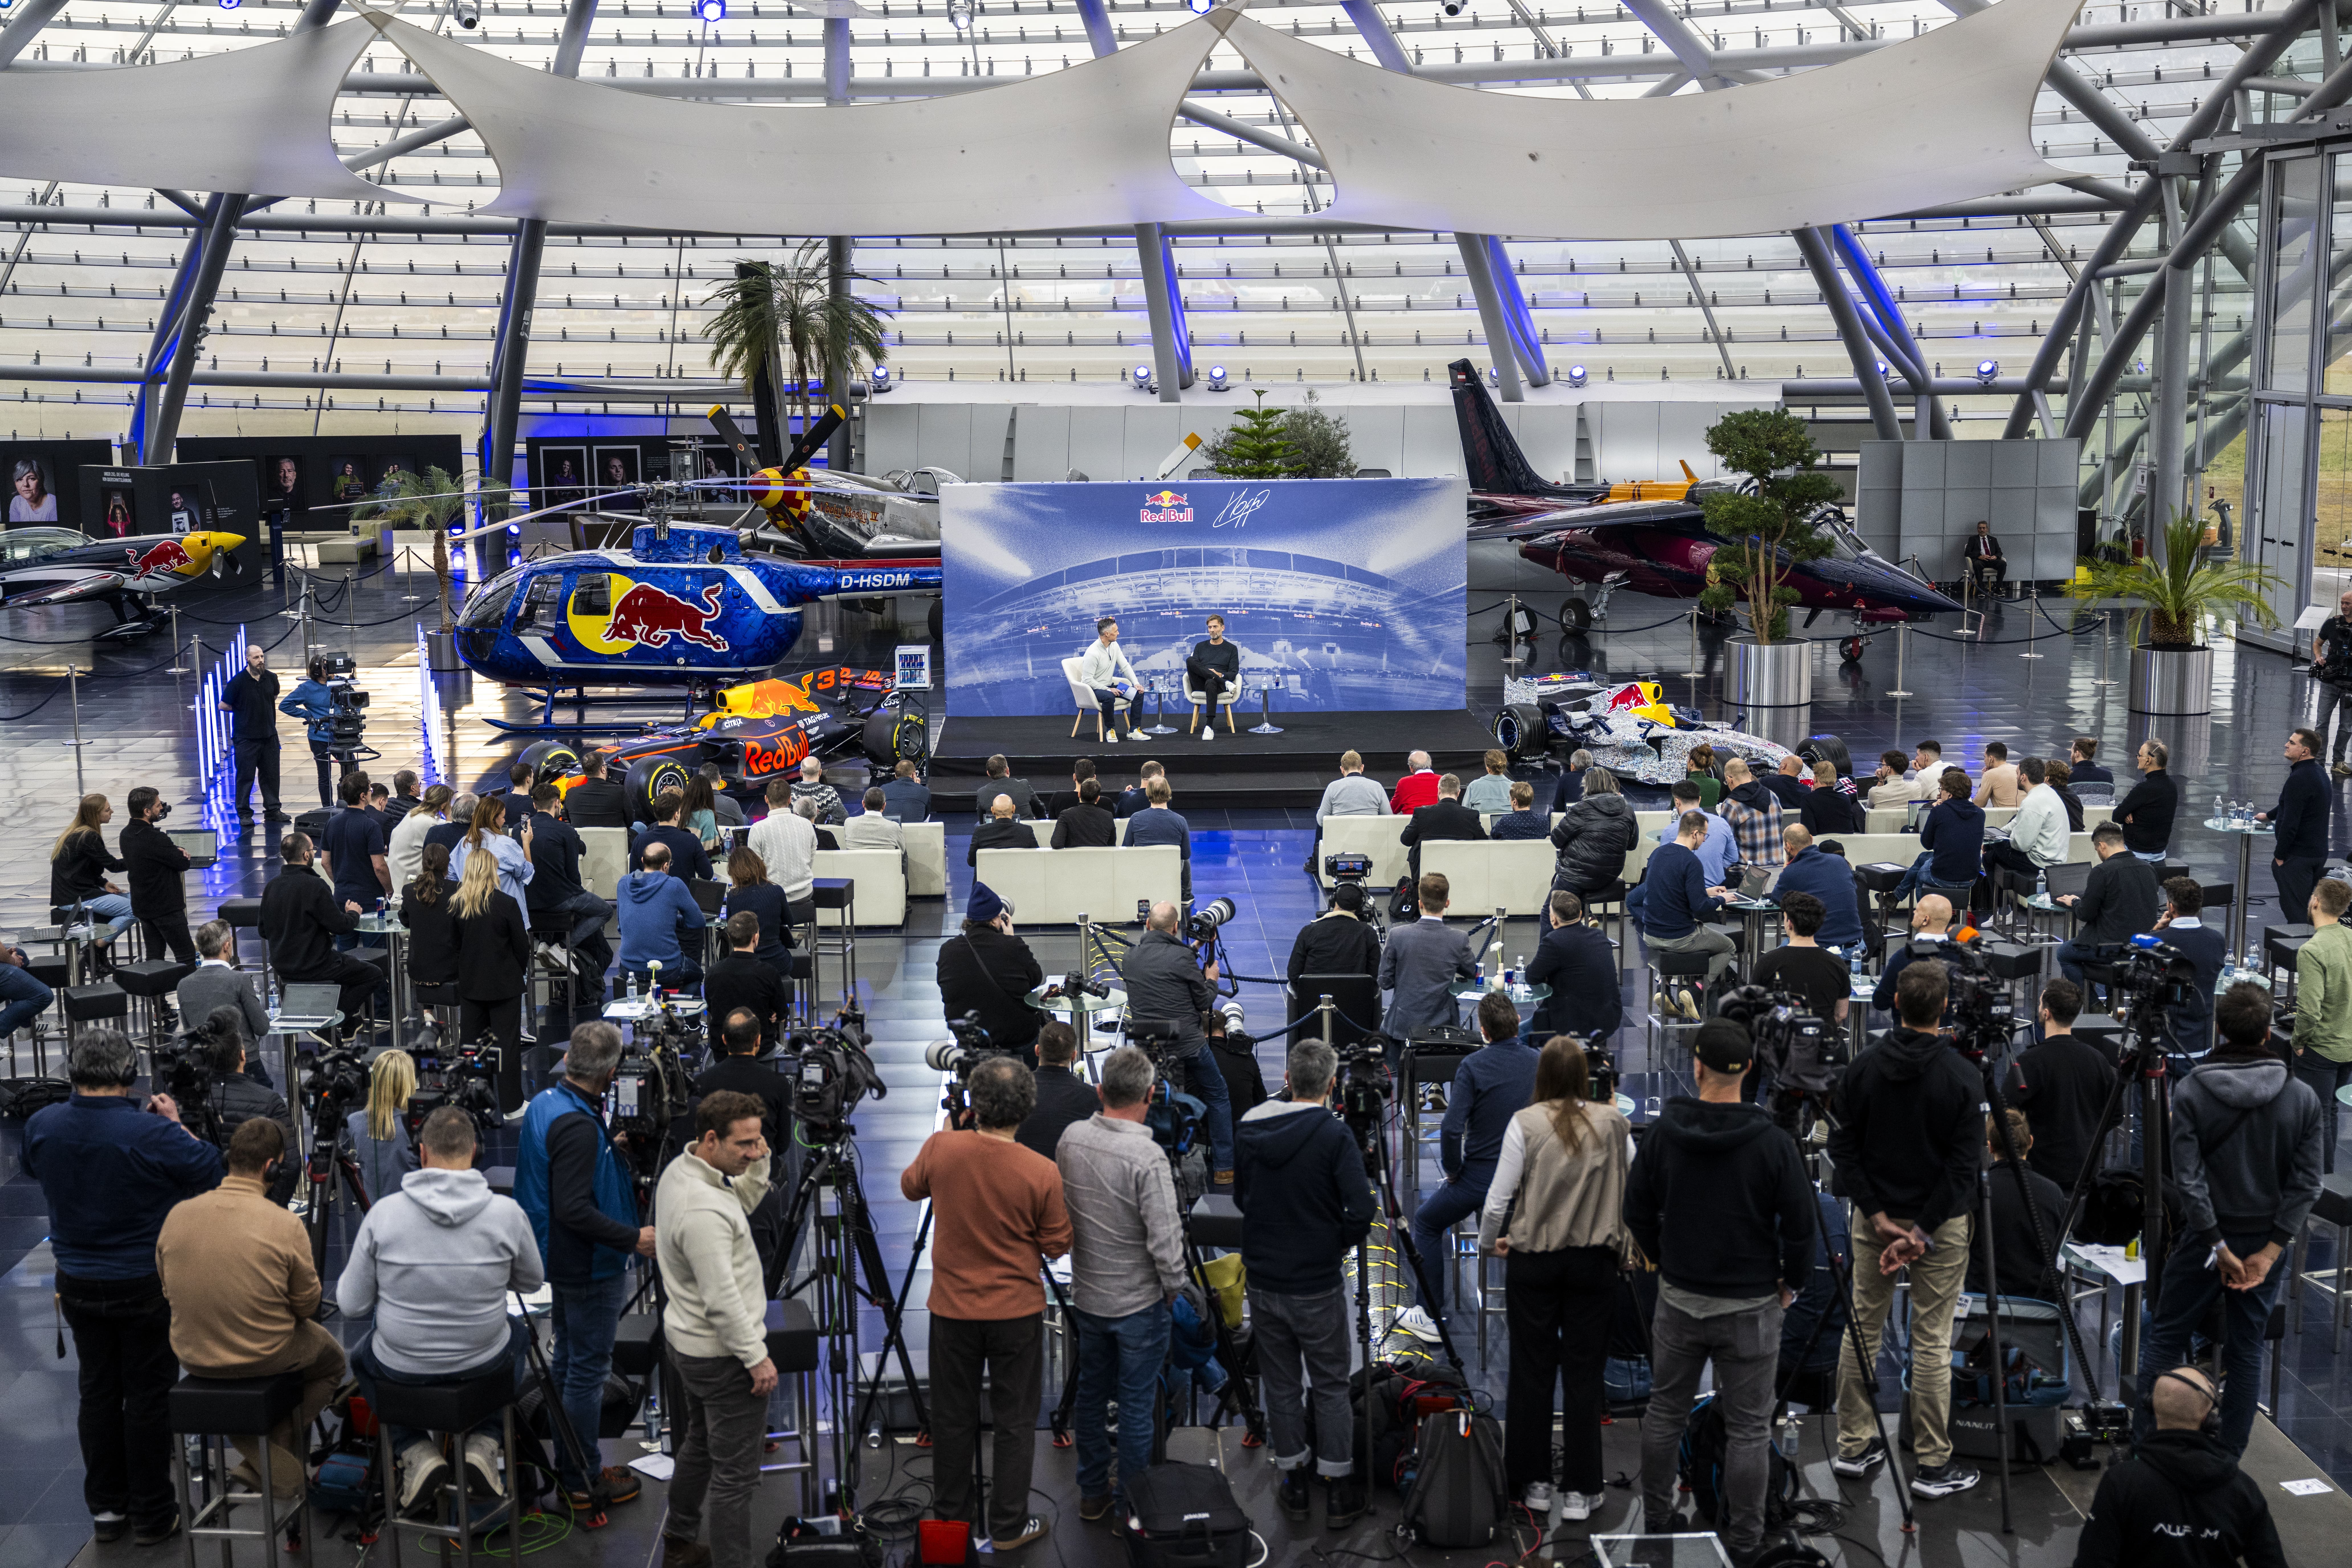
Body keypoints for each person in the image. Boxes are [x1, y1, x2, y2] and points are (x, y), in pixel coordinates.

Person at [24, 1031, 224, 1546]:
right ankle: (155, 1513)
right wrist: (177, 1124)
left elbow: (31, 1165)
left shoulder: (43, 1124)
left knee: (97, 1391)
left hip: (76, 1281)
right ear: (128, 1073)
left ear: (74, 1070)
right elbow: (210, 1170)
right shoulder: (150, 1133)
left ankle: (108, 1510)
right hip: (142, 1282)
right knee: (148, 1397)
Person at [1627, 1019, 1816, 1554]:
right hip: (1753, 1305)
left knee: (1664, 1411)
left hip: (1681, 1299)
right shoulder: (1774, 1143)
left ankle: (1658, 1522)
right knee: (1750, 1428)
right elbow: (1801, 1228)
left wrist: (1664, 1259)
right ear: (1749, 1069)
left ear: (1697, 1065)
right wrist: (1791, 1286)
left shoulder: (1664, 1132)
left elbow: (1634, 1209)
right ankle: (1746, 1539)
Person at [2135, 982, 2323, 1457]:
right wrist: (2270, 1251)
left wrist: (2216, 1244)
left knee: (2165, 1337)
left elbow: (2187, 1176)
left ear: (2219, 1027)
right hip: (2264, 1238)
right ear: (2266, 1032)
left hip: (2205, 1238)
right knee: (2245, 1350)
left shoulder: (2194, 1088)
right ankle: (2229, 1458)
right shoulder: (2302, 1098)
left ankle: (2145, 1450)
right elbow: (2307, 1184)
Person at [1826, 961, 1984, 1498]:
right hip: (1938, 1228)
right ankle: (1934, 1465)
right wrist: (1921, 1231)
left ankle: (1853, 1444)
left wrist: (1875, 1215)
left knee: (1862, 1329)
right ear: (1943, 1008)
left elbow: (1842, 1147)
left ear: (1895, 1001)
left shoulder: (1862, 1067)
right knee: (1932, 1342)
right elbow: (1964, 1167)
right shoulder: (1963, 1075)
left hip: (1875, 1223)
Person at [900, 1057, 1070, 1551]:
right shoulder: (1041, 1170)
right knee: (1015, 1421)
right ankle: (1009, 1525)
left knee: (952, 1419)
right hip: (1016, 1311)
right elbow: (1058, 1244)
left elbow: (911, 1186)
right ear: (1028, 1108)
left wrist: (952, 1136)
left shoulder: (942, 1147)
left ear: (973, 1103)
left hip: (952, 1310)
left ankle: (951, 1527)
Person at [340, 1106, 542, 1518]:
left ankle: (413, 1447)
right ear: (475, 1153)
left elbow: (351, 1304)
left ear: (423, 1154)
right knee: (520, 1335)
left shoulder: (384, 1215)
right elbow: (532, 1283)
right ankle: (485, 1442)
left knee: (361, 1356)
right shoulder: (507, 1214)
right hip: (483, 1364)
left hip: (402, 1368)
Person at [1469, 1033, 1631, 1517]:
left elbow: (1498, 1199)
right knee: (1585, 1374)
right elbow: (1633, 1188)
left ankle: (1532, 1482)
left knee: (1531, 1370)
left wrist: (1486, 1243)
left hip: (1533, 1262)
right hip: (1594, 1262)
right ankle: (1582, 1489)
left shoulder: (1525, 1122)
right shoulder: (1614, 1122)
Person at [157, 1119, 348, 1496]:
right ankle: (272, 1450)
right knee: (333, 1361)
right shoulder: (283, 1224)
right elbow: (308, 1305)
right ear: (272, 1168)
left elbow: (168, 1290)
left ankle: (257, 1456)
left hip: (193, 1357)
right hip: (265, 1355)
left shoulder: (177, 1216)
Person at [515, 1022, 654, 1510]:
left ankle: (574, 1466)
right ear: (611, 1072)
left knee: (569, 1363)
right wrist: (634, 1236)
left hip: (560, 1255)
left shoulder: (551, 1103)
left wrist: (605, 1145)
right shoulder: (574, 1125)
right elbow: (574, 1206)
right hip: (589, 1262)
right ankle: (582, 1477)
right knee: (586, 1373)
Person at [1236, 1039, 1374, 1526]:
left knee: (1280, 1384)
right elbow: (1362, 1208)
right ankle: (1337, 1487)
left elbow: (1241, 1195)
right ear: (1332, 1085)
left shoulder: (1251, 1125)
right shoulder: (1334, 1137)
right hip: (1316, 1282)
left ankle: (1293, 1481)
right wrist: (1334, 1242)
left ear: (1289, 1079)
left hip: (1265, 1278)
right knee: (1332, 1385)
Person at [1057, 1045, 1187, 1521]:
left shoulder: (1071, 1138)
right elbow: (1165, 1237)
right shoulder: (1146, 1154)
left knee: (1091, 1397)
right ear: (1150, 1094)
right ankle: (1130, 1508)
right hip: (1139, 1304)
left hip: (1089, 1296)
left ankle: (1092, 1492)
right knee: (1135, 1406)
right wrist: (1177, 1287)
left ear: (1099, 1090)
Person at [654, 1092, 779, 1568]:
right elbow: (721, 1298)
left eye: (757, 1141)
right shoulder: (700, 1209)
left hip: (690, 1344)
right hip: (723, 1355)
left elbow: (738, 1201)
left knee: (701, 1444)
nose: (753, 1150)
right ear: (711, 1138)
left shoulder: (685, 1171)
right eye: (744, 1143)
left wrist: (758, 1163)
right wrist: (755, 1356)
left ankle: (680, 1540)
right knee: (735, 1477)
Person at [1404, 991, 1538, 1330]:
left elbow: (1450, 1129)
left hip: (1480, 1180)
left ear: (1483, 1032)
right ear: (1518, 1022)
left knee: (1427, 1221)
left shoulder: (1473, 1065)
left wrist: (1452, 1171)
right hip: (1530, 1180)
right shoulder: (1539, 1061)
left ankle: (1430, 1312)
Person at [2075, 1364, 2286, 1568]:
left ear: (2153, 1408)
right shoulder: (2243, 1490)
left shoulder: (2121, 1483)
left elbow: (2092, 1561)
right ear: (2208, 1419)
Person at [1123, 901, 1235, 1182]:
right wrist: (1211, 979)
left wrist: (1195, 947)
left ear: (1147, 925)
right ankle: (1224, 1167)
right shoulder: (1182, 958)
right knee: (1218, 1093)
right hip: (1188, 1043)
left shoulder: (1130, 957)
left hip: (1148, 1045)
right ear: (1176, 928)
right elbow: (1204, 1001)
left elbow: (1165, 966)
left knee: (1151, 1098)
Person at [694, 1010, 796, 1283]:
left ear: (725, 1040)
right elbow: (784, 1144)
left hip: (716, 1179)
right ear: (758, 1041)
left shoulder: (703, 1083)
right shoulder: (778, 1084)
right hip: (764, 1176)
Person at [260, 832, 383, 1033]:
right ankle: (335, 1018)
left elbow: (263, 930)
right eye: (313, 850)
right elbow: (340, 927)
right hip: (316, 965)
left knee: (349, 967)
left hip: (283, 967)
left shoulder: (271, 887)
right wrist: (353, 914)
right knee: (372, 974)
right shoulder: (315, 886)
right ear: (306, 855)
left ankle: (346, 1018)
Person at [2003, 979, 2116, 1191]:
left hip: (2040, 1174)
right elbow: (2115, 1114)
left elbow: (2006, 1111)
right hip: (2085, 1172)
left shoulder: (2030, 1062)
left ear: (2047, 1014)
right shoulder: (2099, 1060)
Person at [523, 784, 615, 997]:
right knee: (604, 911)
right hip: (560, 899)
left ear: (535, 805)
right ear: (557, 803)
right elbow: (574, 875)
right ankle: (564, 947)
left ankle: (546, 943)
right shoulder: (565, 830)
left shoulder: (523, 830)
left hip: (529, 902)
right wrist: (579, 894)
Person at [1966, 1108, 2067, 1301]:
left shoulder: (1976, 1191)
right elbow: (2059, 1257)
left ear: (1990, 1147)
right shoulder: (2053, 1193)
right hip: (2039, 1305)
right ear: (2030, 1142)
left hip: (1981, 1300)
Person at [197, 1007, 297, 1197]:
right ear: (243, 1056)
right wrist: (270, 1207)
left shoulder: (194, 1100)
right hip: (258, 1204)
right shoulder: (270, 1101)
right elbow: (291, 1165)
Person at [450, 847, 532, 1073]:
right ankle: (512, 1104)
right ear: (491, 871)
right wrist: (516, 972)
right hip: (505, 985)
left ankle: (476, 1100)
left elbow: (455, 947)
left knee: (472, 1047)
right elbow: (522, 946)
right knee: (507, 1045)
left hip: (471, 985)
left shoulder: (457, 904)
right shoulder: (506, 903)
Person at [2055, 823, 2162, 989]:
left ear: (2101, 846)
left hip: (2110, 947)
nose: (2098, 853)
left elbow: (2085, 914)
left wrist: (2075, 902)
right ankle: (2115, 1005)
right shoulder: (2149, 869)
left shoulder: (2102, 872)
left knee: (2064, 954)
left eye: (2096, 849)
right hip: (2142, 946)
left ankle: (2094, 1005)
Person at [2293, 877, 2352, 1175]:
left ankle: (2315, 1178)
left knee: (2316, 1116)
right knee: (2331, 1110)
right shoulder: (2351, 938)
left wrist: (2298, 1041)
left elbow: (2309, 1009)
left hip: (2321, 1048)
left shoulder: (2312, 950)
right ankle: (2327, 1178)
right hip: (2348, 1043)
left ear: (2315, 901)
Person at [1638, 811, 1734, 986]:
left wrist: (1706, 892)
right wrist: (1722, 899)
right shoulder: (1691, 861)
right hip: (1679, 938)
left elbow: (1671, 891)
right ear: (1695, 834)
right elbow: (1701, 908)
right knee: (1728, 947)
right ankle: (1698, 989)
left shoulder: (1658, 854)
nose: (1705, 840)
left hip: (1650, 934)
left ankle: (1664, 988)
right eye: (1705, 835)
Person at [1379, 871, 1480, 1039]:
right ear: (1447, 903)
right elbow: (1472, 973)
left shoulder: (1397, 935)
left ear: (1420, 904)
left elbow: (1385, 982)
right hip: (1444, 1027)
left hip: (1402, 1027)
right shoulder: (1459, 938)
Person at [1285, 881, 1384, 1036]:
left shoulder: (1308, 932)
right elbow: (1373, 977)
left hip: (1312, 1017)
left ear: (1333, 902)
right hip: (1356, 1018)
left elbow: (1293, 974)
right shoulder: (1368, 934)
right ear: (1359, 907)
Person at [2255, 727, 2329, 923]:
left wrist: (2280, 856)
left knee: (2296, 914)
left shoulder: (2299, 779)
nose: (2287, 745)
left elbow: (2290, 823)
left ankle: (2300, 951)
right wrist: (2269, 816)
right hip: (2317, 853)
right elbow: (2291, 804)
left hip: (2298, 857)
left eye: (2293, 743)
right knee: (2306, 908)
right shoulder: (2319, 773)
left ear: (2305, 751)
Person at [2147, 878, 2228, 1059]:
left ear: (2171, 907)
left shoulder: (2158, 942)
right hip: (2202, 1044)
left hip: (2163, 1046)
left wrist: (2156, 931)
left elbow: (2134, 960)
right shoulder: (2217, 940)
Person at [1524, 889, 1622, 1039]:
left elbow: (1532, 977)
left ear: (1553, 920)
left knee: (1514, 1038)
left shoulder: (1554, 941)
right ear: (1581, 914)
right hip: (1609, 1019)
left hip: (1573, 1024)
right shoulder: (1600, 936)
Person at [616, 842, 707, 993]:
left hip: (629, 968)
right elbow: (698, 922)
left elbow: (621, 928)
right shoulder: (674, 885)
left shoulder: (623, 883)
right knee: (697, 975)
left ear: (643, 861)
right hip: (667, 969)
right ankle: (689, 1016)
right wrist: (674, 920)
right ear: (666, 866)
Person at [1753, 890, 1850, 1026]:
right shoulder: (1837, 963)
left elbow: (1755, 1009)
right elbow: (1841, 1014)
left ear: (1790, 924)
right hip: (1824, 1040)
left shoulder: (1767, 962)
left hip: (1779, 1041)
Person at [50, 793, 134, 949]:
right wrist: (142, 858)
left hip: (72, 893)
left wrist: (104, 883)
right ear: (96, 815)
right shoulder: (88, 837)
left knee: (133, 899)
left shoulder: (77, 832)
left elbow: (81, 870)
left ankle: (100, 951)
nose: (112, 812)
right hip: (75, 897)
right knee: (137, 908)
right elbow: (114, 866)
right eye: (108, 810)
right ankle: (96, 949)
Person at [1768, 824, 1865, 954]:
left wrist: (1787, 865)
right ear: (1811, 839)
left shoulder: (1792, 872)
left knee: (1771, 964)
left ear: (1788, 847)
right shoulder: (1840, 861)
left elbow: (1778, 899)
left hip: (1821, 949)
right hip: (1856, 947)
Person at [703, 913, 790, 1053]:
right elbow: (781, 1014)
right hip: (761, 1050)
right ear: (755, 937)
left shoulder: (713, 973)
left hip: (723, 1051)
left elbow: (712, 1008)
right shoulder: (769, 973)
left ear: (730, 938)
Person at [220, 645, 285, 829]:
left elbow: (273, 695)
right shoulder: (238, 682)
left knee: (271, 776)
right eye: (256, 657)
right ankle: (244, 813)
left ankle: (273, 810)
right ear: (247, 659)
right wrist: (243, 710)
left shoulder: (271, 678)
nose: (261, 660)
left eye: (262, 657)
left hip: (269, 736)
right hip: (246, 738)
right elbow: (223, 705)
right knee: (245, 777)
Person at [1547, 764, 1634, 896]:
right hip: (1612, 874)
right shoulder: (1628, 809)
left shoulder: (1581, 808)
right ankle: (1588, 915)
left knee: (1549, 911)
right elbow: (1632, 845)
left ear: (1587, 786)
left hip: (1579, 875)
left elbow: (1557, 840)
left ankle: (1579, 914)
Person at [1016, 1022, 1100, 1159]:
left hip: (1021, 1171)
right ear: (1074, 1056)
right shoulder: (1092, 1097)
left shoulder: (1014, 1091)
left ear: (1037, 1051)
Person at [348, 1048, 419, 1210]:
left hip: (374, 1219)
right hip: (414, 1218)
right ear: (409, 1081)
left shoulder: (354, 1122)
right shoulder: (418, 1126)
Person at [1983, 756, 2069, 888]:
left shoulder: (2032, 802)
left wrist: (2000, 840)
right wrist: (1999, 834)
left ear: (2023, 777)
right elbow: (2016, 822)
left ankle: (1999, 906)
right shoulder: (2048, 792)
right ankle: (2004, 906)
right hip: (2055, 857)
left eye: (2017, 774)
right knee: (1992, 837)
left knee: (1989, 857)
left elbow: (2022, 846)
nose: (2016, 777)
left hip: (2038, 862)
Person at [179, 919, 269, 1042]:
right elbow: (262, 1028)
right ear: (226, 946)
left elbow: (189, 1032)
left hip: (206, 1058)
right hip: (243, 1057)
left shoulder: (183, 985)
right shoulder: (240, 980)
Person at [278, 659, 349, 811]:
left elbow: (355, 701)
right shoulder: (307, 689)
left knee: (350, 771)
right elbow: (285, 705)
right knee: (324, 775)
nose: (330, 670)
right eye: (326, 667)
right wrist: (308, 715)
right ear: (318, 670)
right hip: (319, 737)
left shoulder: (341, 683)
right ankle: (328, 808)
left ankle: (349, 804)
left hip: (342, 735)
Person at [1871, 895, 1956, 1017]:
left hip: (1908, 1032)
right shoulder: (1961, 956)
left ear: (1926, 920)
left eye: (1918, 910)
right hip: (1950, 1032)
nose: (1914, 912)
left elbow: (1881, 1003)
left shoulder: (1904, 957)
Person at [321, 771, 392, 918]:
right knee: (375, 939)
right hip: (369, 899)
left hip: (341, 898)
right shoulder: (371, 826)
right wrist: (389, 889)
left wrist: (341, 884)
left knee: (345, 940)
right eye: (370, 791)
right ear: (363, 797)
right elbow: (379, 867)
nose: (371, 793)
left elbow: (325, 862)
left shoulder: (331, 823)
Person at [450, 793, 536, 913]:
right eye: (503, 817)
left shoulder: (464, 844)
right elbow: (526, 873)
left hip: (472, 913)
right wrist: (526, 843)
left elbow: (451, 876)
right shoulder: (507, 845)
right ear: (494, 819)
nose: (505, 820)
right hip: (506, 915)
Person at [720, 847, 795, 983]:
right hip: (777, 961)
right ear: (759, 865)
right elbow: (789, 924)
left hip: (745, 964)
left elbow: (732, 928)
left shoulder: (733, 896)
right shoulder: (777, 891)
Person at [747, 780, 815, 925]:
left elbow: (754, 872)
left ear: (766, 799)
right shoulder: (807, 824)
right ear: (790, 800)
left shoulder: (758, 829)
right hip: (805, 892)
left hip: (772, 897)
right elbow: (811, 858)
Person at [1401, 771, 1487, 879]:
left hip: (1425, 877)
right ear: (1459, 793)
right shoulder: (1471, 815)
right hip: (1461, 873)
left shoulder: (1422, 813)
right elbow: (1483, 842)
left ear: (1439, 790)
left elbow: (1405, 840)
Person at [1719, 758, 1785, 894]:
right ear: (1749, 774)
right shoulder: (1773, 796)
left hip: (1748, 878)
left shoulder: (1732, 804)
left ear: (1729, 779)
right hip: (1776, 874)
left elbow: (1724, 844)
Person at [1917, 766, 1984, 897]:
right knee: (1923, 861)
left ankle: (1924, 915)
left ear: (1949, 794)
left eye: (1942, 790)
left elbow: (1927, 844)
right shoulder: (1980, 814)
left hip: (1942, 876)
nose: (1940, 793)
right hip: (1971, 878)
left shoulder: (1939, 811)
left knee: (1919, 875)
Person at [1124, 775, 1196, 897]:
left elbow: (1126, 849)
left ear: (1148, 793)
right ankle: (1186, 895)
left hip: (1143, 873)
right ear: (1168, 792)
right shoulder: (1180, 821)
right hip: (1171, 874)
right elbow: (1186, 855)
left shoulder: (1136, 818)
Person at [1077, 616, 1142, 741]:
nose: (1118, 633)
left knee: (1137, 693)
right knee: (1109, 697)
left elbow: (1125, 666)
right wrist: (1107, 690)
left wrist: (1136, 683)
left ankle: (1134, 730)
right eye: (1116, 631)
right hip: (1094, 690)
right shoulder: (1093, 653)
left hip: (1110, 686)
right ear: (1107, 634)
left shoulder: (1115, 646)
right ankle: (1110, 730)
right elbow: (1087, 681)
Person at [2114, 738, 2178, 862]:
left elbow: (2116, 816)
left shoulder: (2144, 789)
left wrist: (2127, 812)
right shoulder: (2172, 786)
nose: (2138, 758)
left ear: (2149, 760)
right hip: (2160, 852)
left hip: (2138, 853)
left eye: (2140, 755)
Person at [635, 789, 714, 882]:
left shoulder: (640, 840)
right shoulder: (691, 840)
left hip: (648, 896)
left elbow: (634, 876)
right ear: (676, 815)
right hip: (682, 895)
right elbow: (707, 875)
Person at [389, 783, 453, 891]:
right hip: (409, 883)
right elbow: (447, 841)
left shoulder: (413, 815)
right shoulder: (428, 823)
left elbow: (437, 823)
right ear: (443, 805)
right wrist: (449, 816)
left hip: (398, 876)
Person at [1188, 613, 1240, 737]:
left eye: (1215, 627)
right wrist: (1214, 675)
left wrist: (1221, 675)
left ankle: (1209, 726)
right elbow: (1194, 667)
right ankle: (1220, 680)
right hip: (1200, 682)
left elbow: (1234, 673)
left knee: (1211, 682)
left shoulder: (1232, 649)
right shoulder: (1200, 646)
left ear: (1223, 628)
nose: (1212, 630)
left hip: (1217, 685)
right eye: (1210, 628)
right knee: (1190, 660)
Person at [1313, 750, 1389, 825]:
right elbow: (1388, 817)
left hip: (1340, 836)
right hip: (1371, 836)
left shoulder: (1332, 787)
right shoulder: (1377, 787)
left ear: (1342, 769)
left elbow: (1321, 821)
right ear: (1362, 768)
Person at [563, 753, 632, 828]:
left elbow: (571, 821)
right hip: (616, 839)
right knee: (639, 825)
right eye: (606, 765)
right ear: (603, 769)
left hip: (582, 840)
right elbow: (630, 822)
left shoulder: (571, 794)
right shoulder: (620, 791)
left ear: (585, 771)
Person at [969, 792, 1037, 865]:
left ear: (993, 811)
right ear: (1013, 809)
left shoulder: (980, 832)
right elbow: (1037, 857)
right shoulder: (1027, 831)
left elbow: (972, 862)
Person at [1799, 760, 1864, 834]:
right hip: (1845, 844)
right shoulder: (1845, 798)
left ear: (1816, 779)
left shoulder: (1808, 800)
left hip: (1819, 844)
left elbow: (1810, 832)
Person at [1051, 778, 1117, 848]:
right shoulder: (1108, 817)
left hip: (1072, 858)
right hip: (1100, 858)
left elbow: (1056, 844)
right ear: (1098, 799)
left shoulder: (1066, 815)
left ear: (1079, 794)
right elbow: (1112, 845)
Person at [976, 754, 1044, 820]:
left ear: (989, 774)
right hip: (1025, 829)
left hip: (996, 830)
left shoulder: (982, 793)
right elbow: (1040, 809)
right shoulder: (1024, 785)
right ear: (1007, 770)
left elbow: (983, 822)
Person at [844, 789, 905, 854]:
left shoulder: (849, 823)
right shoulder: (894, 828)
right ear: (884, 806)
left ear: (863, 804)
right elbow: (902, 853)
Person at [789, 756, 844, 825]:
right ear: (820, 772)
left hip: (795, 835)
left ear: (801, 773)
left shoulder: (789, 791)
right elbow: (843, 819)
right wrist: (825, 827)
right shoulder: (829, 792)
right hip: (819, 835)